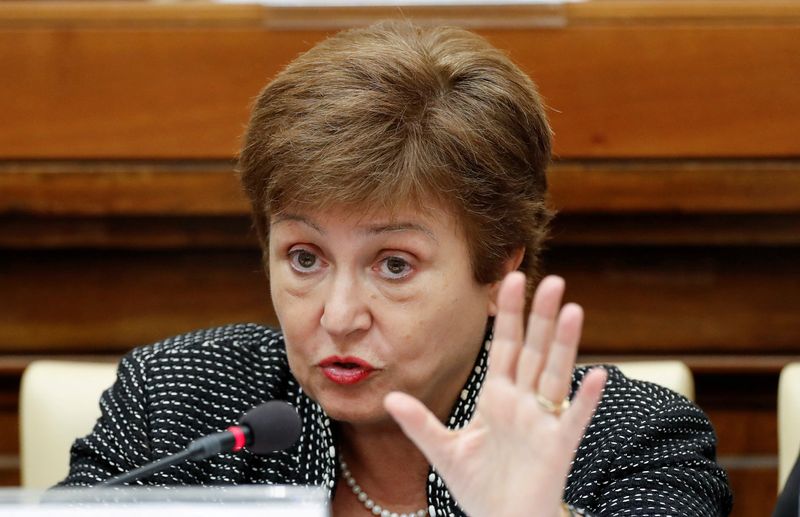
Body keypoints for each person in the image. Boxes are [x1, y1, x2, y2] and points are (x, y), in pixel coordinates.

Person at [60, 21, 733, 516]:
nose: (340, 315)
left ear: (499, 269)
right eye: (305, 257)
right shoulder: (179, 403)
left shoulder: (632, 440)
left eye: (393, 263)